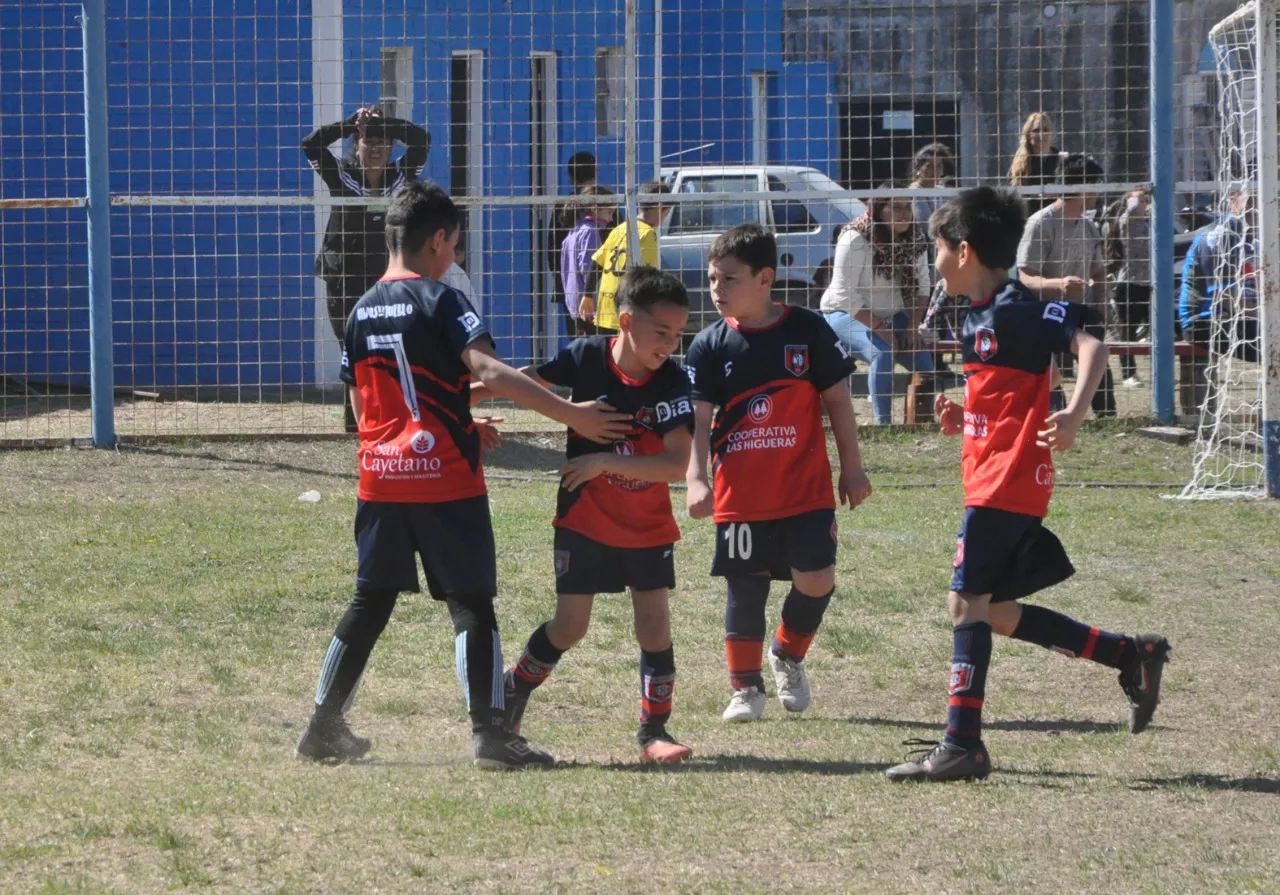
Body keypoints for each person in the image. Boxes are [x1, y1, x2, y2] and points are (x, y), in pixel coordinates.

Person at [294, 182, 633, 770]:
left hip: (381, 479)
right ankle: (491, 736)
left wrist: (457, 421)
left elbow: (368, 406)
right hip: (444, 481)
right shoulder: (444, 299)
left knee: (369, 602)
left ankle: (322, 724)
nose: (454, 258)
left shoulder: (360, 309)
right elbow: (489, 371)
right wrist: (572, 413)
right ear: (441, 239)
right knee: (471, 602)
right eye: (454, 246)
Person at [884, 187, 1170, 784]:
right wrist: (967, 416)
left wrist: (1076, 413)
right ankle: (1129, 654)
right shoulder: (979, 316)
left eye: (936, 249)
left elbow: (1091, 344)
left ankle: (962, 744)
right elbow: (1005, 397)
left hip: (1008, 480)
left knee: (966, 605)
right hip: (991, 474)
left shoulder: (1020, 305)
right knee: (996, 612)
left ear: (963, 252)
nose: (931, 261)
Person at [482, 267, 696, 765]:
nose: (669, 344)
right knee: (570, 626)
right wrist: (457, 399)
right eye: (660, 332)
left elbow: (677, 464)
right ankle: (513, 691)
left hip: (646, 525)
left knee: (654, 624)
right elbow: (522, 384)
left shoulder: (671, 381)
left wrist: (605, 461)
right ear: (624, 321)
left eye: (678, 335)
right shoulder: (584, 359)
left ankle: (654, 733)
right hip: (584, 520)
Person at [685, 224, 872, 723]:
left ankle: (787, 654)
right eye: (711, 279)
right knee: (745, 586)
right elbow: (700, 421)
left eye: (728, 279)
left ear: (765, 278)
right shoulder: (708, 345)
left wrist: (852, 468)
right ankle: (745, 689)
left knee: (816, 580)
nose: (716, 290)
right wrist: (696, 478)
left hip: (805, 490)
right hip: (741, 495)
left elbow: (838, 401)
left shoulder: (807, 330)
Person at [303, 106, 431, 432]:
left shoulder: (402, 176)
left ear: (391, 148)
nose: (374, 150)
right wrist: (349, 124)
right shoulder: (341, 174)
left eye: (382, 143)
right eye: (367, 142)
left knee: (388, 345)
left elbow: (422, 139)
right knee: (351, 345)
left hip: (384, 274)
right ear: (355, 144)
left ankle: (390, 417)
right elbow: (311, 145)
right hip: (343, 273)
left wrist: (386, 122)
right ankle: (356, 423)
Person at [819, 187, 935, 425]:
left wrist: (913, 326)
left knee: (923, 360)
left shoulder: (916, 238)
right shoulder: (855, 237)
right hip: (844, 312)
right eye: (895, 207)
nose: (904, 214)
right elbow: (843, 294)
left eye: (907, 207)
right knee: (883, 351)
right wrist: (881, 328)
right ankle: (884, 426)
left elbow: (924, 286)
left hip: (892, 313)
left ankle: (923, 421)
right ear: (879, 210)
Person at [1016, 153, 1117, 417]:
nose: (1100, 191)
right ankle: (1054, 410)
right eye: (1097, 184)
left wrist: (1102, 304)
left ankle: (1106, 416)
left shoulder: (1089, 226)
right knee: (1049, 383)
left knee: (1096, 345)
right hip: (1042, 311)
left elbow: (1098, 272)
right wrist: (1058, 284)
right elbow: (1025, 277)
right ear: (1084, 187)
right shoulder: (1040, 224)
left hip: (1078, 310)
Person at [1178, 183, 1259, 412]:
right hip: (1203, 320)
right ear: (1233, 200)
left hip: (1230, 315)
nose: (1256, 209)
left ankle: (1266, 403)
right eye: (1250, 201)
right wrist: (1265, 315)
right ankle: (1267, 407)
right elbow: (1225, 296)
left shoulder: (1248, 237)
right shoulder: (1221, 235)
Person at [583, 181, 671, 332]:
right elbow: (649, 276)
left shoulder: (619, 229)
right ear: (660, 208)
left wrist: (587, 296)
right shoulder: (647, 234)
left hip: (605, 309)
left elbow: (596, 263)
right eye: (666, 213)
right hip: (627, 310)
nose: (663, 219)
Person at [1103, 188, 1152, 386]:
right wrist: (1134, 197)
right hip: (1129, 284)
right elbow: (1132, 208)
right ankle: (1128, 374)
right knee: (1128, 332)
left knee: (1154, 327)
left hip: (1147, 284)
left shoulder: (1145, 223)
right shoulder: (1128, 220)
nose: (1145, 204)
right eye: (1143, 201)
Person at [560, 185, 616, 337]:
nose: (611, 219)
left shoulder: (574, 231)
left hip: (575, 304)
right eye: (609, 212)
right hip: (589, 307)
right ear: (595, 208)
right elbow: (589, 268)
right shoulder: (590, 232)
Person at [1009, 112, 1064, 214]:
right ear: (1028, 135)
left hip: (1056, 217)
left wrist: (1057, 190)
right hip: (1028, 216)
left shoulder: (1062, 159)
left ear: (1052, 134)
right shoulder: (1019, 162)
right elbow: (1010, 194)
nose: (1041, 134)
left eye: (1045, 130)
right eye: (1036, 130)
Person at [908, 142, 955, 228]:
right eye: (929, 166)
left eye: (939, 166)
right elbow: (926, 225)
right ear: (918, 168)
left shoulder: (941, 191)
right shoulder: (915, 192)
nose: (935, 171)